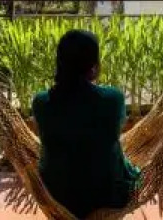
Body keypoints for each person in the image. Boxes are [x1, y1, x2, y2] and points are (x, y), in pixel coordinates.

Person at [32, 29, 141, 219]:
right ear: (94, 65)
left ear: (59, 62)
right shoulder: (113, 99)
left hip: (57, 194)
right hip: (107, 195)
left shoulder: (41, 102)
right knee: (122, 161)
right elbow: (114, 130)